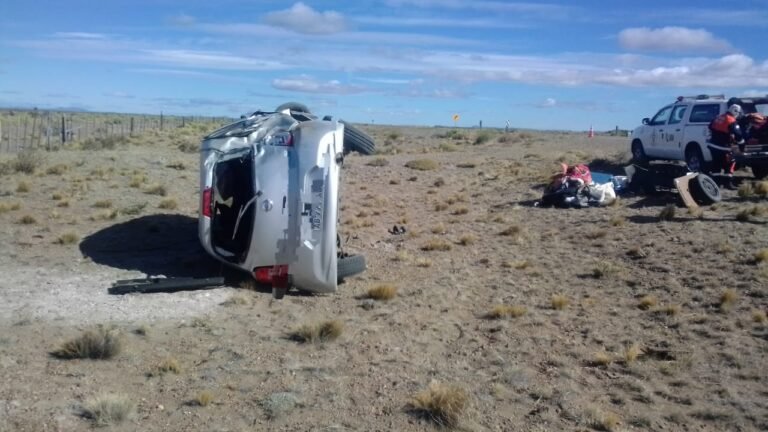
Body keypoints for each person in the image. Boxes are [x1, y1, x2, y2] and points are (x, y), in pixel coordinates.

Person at [708, 104, 745, 190]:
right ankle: (727, 183)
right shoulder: (731, 120)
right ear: (735, 112)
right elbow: (738, 135)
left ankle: (716, 184)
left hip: (713, 145)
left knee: (716, 164)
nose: (738, 115)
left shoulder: (719, 117)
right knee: (730, 164)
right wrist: (742, 147)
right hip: (723, 147)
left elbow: (710, 126)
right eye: (738, 113)